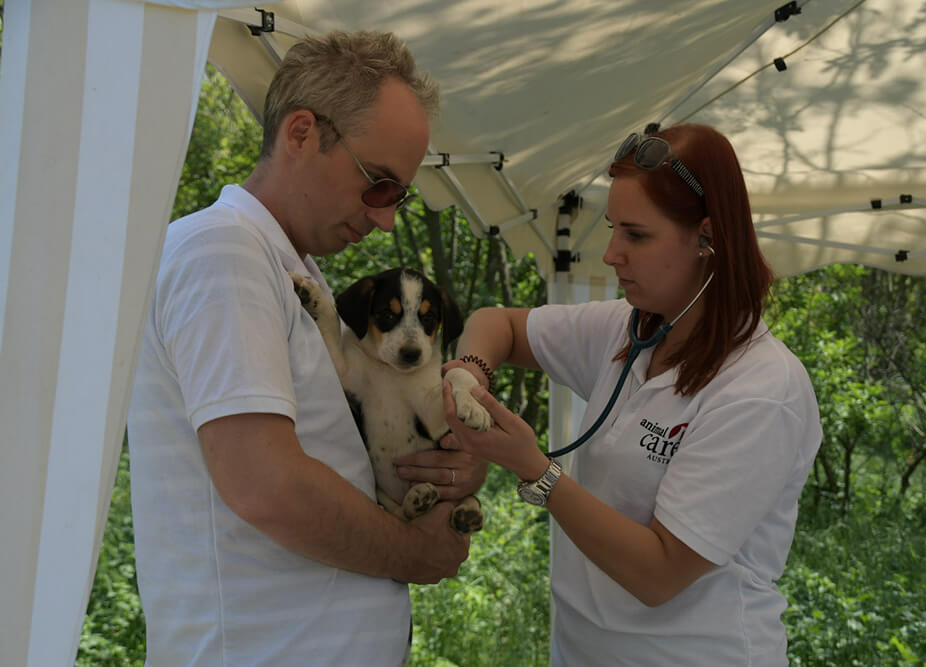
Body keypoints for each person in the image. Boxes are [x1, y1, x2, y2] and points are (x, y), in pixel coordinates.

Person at [127, 31, 484, 666]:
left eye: (399, 196)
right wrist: (414, 552)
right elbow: (265, 484)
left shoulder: (289, 268)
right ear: (301, 133)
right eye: (378, 184)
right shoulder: (223, 254)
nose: (386, 218)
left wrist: (449, 460)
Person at [434, 123, 823, 665]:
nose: (611, 254)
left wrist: (535, 470)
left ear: (707, 238)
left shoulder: (761, 390)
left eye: (636, 236)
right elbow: (496, 323)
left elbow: (658, 574)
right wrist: (472, 375)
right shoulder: (627, 329)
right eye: (613, 229)